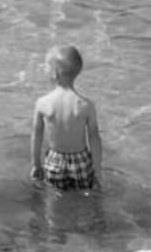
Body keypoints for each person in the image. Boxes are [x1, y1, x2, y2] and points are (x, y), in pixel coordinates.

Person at [30, 45, 103, 192]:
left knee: (53, 198)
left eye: (46, 66)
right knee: (85, 197)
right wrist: (98, 170)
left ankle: (53, 215)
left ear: (55, 73)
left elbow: (36, 135)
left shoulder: (43, 103)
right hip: (81, 161)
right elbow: (94, 138)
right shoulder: (86, 105)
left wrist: (35, 164)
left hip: (54, 161)